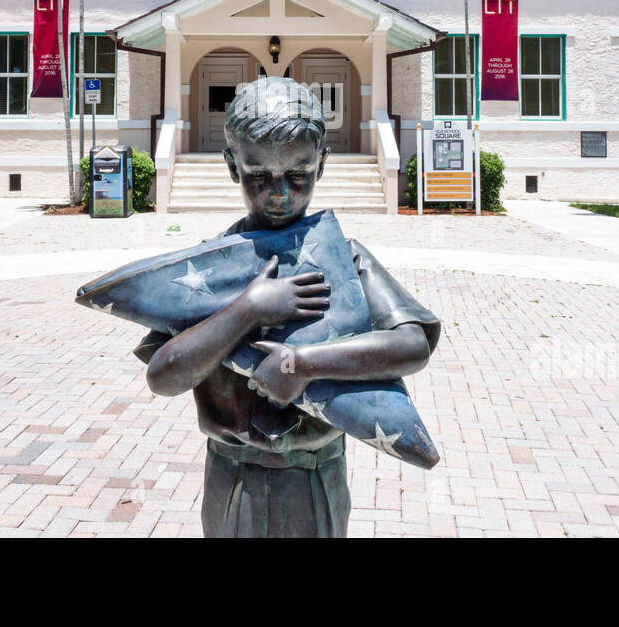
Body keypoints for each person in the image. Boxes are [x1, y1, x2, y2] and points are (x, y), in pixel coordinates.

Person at [134, 76, 440, 537]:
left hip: (315, 473)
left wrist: (303, 363)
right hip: (233, 474)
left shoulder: (344, 257)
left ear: (322, 165)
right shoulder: (206, 268)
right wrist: (247, 310)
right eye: (259, 176)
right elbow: (163, 377)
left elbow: (412, 344)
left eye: (297, 176)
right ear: (232, 166)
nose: (278, 194)